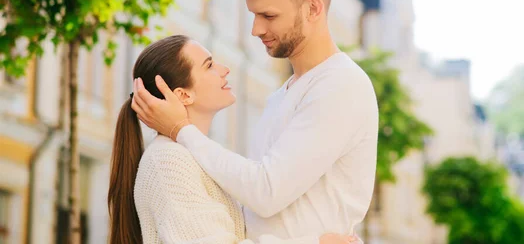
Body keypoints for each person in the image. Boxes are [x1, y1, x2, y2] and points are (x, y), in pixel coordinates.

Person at [132, 0, 379, 241]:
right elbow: (258, 212)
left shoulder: (340, 84)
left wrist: (182, 130)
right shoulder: (281, 97)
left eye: (269, 16)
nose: (256, 29)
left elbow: (266, 193)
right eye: (254, 15)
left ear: (313, 8)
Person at [108, 35, 357, 244]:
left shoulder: (193, 156)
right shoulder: (168, 161)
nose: (224, 69)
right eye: (209, 65)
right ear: (183, 95)